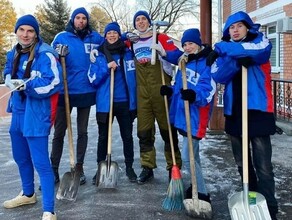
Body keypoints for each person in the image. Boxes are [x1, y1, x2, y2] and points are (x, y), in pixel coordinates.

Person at [207, 11, 278, 219]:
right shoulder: (231, 51)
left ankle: (269, 208)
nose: (235, 30)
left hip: (257, 111)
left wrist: (224, 48)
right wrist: (237, 59)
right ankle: (252, 200)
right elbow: (218, 74)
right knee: (242, 164)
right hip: (235, 113)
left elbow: (261, 52)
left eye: (239, 26)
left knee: (263, 165)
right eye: (231, 28)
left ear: (247, 27)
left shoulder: (259, 40)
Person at [3, 14, 61, 220]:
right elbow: (7, 70)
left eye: (30, 31)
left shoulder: (46, 54)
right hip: (18, 110)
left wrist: (27, 85)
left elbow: (54, 82)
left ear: (36, 33)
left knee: (41, 162)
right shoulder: (14, 52)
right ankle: (28, 194)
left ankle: (49, 210)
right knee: (21, 157)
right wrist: (9, 79)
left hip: (36, 113)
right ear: (16, 31)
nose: (25, 35)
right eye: (22, 30)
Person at [50, 7, 104, 185]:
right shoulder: (62, 37)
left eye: (84, 18)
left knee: (82, 131)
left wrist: (127, 39)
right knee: (59, 131)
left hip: (86, 90)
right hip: (65, 90)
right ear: (72, 20)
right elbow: (50, 59)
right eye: (78, 18)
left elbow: (111, 42)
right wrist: (58, 55)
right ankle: (53, 169)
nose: (81, 21)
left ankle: (78, 167)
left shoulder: (94, 37)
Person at [162, 28, 216, 204]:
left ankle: (201, 193)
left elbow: (208, 90)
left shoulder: (208, 63)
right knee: (194, 156)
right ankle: (196, 186)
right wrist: (169, 91)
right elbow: (180, 88)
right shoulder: (184, 62)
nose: (187, 47)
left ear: (198, 43)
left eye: (190, 43)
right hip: (183, 116)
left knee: (187, 156)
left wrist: (194, 95)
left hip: (196, 117)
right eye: (184, 44)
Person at [129, 10, 182, 184]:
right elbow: (111, 40)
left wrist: (165, 53)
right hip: (142, 93)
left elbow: (179, 58)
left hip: (161, 90)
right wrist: (124, 35)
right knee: (144, 131)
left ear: (149, 22)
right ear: (135, 24)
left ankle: (173, 166)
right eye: (138, 20)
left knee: (167, 130)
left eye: (144, 19)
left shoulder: (161, 37)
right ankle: (147, 167)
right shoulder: (132, 42)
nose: (141, 22)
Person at [89, 22, 138, 183]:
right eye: (109, 33)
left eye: (114, 33)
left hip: (124, 102)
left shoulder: (128, 53)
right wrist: (105, 67)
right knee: (103, 137)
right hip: (105, 103)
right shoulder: (98, 55)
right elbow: (92, 79)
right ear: (105, 36)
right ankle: (100, 168)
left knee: (127, 136)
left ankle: (129, 167)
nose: (111, 35)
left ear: (118, 35)